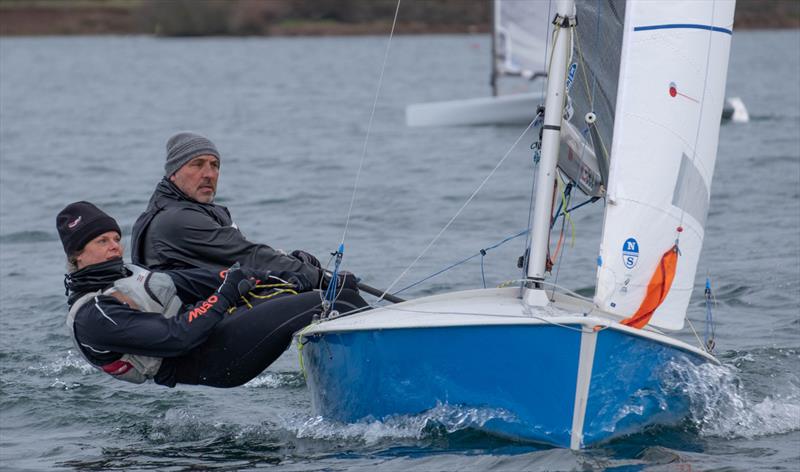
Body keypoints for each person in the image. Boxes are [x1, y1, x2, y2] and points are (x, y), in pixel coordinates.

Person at [58, 201, 367, 388]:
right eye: (101, 241)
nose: (114, 246)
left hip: (221, 333)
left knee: (336, 288)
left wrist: (295, 270)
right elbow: (177, 336)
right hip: (212, 361)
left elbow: (215, 279)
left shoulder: (131, 275)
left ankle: (364, 375)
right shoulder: (92, 316)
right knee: (331, 302)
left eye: (115, 237)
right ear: (77, 256)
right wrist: (225, 293)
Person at [130, 132, 346, 291]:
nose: (209, 174)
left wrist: (297, 263)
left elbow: (241, 257)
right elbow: (249, 257)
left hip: (211, 307)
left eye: (214, 165)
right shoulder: (176, 219)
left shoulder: (198, 210)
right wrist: (322, 278)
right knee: (322, 295)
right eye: (197, 165)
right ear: (173, 174)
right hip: (190, 325)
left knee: (298, 281)